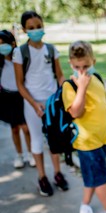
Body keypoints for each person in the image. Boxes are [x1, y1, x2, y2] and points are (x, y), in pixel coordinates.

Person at [13, 11, 68, 196]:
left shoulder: (51, 50)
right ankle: (42, 177)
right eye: (31, 28)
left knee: (54, 139)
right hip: (32, 104)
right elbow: (20, 84)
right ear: (24, 30)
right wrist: (35, 105)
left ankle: (58, 174)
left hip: (52, 103)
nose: (36, 30)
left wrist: (65, 93)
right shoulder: (19, 53)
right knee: (37, 140)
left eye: (38, 26)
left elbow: (59, 75)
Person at [62, 40, 106, 213]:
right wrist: (82, 87)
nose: (82, 71)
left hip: (102, 138)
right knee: (100, 178)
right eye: (77, 67)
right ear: (71, 63)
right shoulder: (69, 86)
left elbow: (105, 104)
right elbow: (76, 112)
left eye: (86, 66)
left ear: (93, 61)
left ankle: (85, 205)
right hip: (86, 142)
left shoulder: (98, 78)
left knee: (94, 174)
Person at [0, 30, 35, 169]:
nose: (1, 47)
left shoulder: (19, 57)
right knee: (14, 129)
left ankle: (31, 153)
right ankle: (19, 155)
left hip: (21, 96)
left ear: (12, 43)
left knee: (26, 128)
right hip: (6, 97)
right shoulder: (0, 61)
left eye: (3, 43)